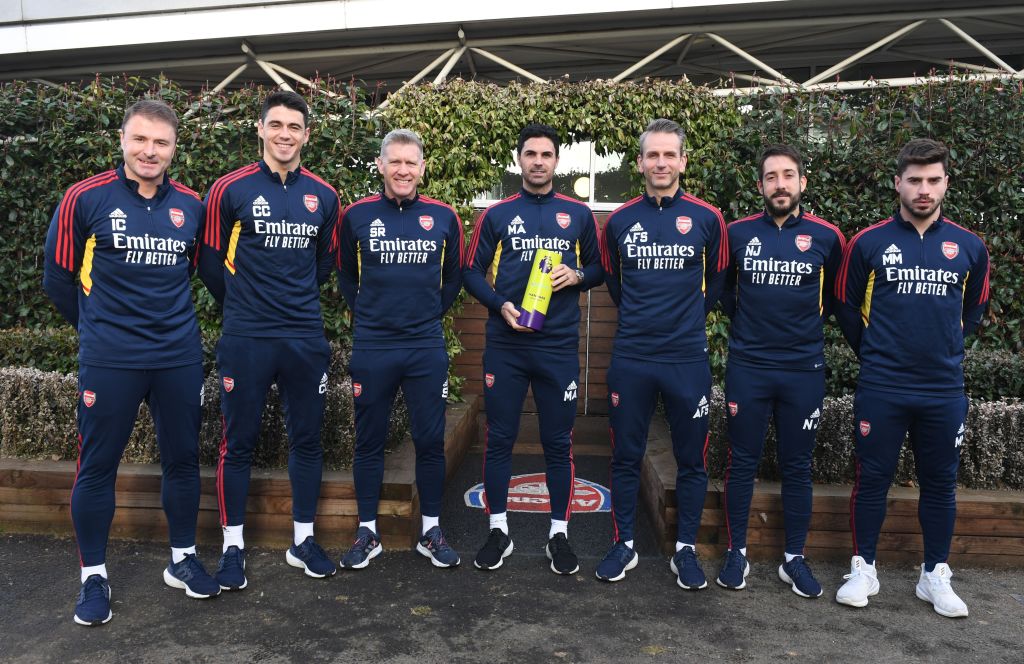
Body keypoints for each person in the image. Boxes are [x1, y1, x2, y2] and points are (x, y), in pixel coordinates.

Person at [43, 99, 219, 625]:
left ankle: (182, 559)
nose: (150, 151)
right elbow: (58, 279)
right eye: (140, 140)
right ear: (122, 140)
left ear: (173, 149)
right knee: (98, 467)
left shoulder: (191, 205)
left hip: (178, 356)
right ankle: (92, 576)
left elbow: (191, 269)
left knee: (183, 460)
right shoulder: (84, 198)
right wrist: (100, 330)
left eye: (161, 142)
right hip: (111, 359)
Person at [833, 138, 990, 618]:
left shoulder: (969, 246)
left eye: (933, 180)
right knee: (872, 478)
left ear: (946, 183)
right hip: (882, 386)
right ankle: (864, 568)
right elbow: (844, 305)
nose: (924, 189)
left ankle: (934, 575)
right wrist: (878, 355)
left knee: (941, 483)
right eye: (915, 180)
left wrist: (940, 352)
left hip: (943, 389)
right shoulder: (868, 242)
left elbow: (974, 312)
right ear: (897, 182)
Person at [198, 90, 340, 589]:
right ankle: (233, 547)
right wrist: (241, 304)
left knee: (306, 440)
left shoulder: (323, 195)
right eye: (275, 124)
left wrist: (293, 300)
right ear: (260, 129)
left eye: (294, 126)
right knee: (237, 443)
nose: (285, 134)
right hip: (247, 336)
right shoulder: (228, 189)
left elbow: (324, 262)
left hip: (303, 337)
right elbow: (209, 261)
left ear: (306, 134)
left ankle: (303, 540)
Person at [463, 123, 603, 574]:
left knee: (557, 442)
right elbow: (470, 272)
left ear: (557, 161)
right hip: (506, 344)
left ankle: (558, 534)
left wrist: (578, 275)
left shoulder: (577, 214)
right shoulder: (497, 214)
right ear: (519, 159)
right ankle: (498, 531)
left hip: (558, 347)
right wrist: (500, 304)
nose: (538, 161)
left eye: (546, 154)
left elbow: (602, 268)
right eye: (530, 154)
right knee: (499, 438)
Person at [598, 118, 728, 587]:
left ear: (682, 161)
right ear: (639, 163)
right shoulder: (618, 221)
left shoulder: (709, 219)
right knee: (625, 456)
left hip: (686, 358)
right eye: (652, 155)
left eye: (669, 154)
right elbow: (614, 282)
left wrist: (687, 317)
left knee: (692, 459)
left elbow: (717, 282)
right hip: (632, 357)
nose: (661, 162)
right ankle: (624, 545)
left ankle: (686, 550)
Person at [717, 144, 845, 597]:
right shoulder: (735, 233)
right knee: (742, 462)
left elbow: (834, 299)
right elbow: (724, 292)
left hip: (802, 370)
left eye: (788, 175)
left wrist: (803, 328)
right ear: (760, 186)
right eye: (771, 177)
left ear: (802, 183)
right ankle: (737, 553)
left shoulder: (827, 237)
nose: (780, 184)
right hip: (748, 367)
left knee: (797, 466)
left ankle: (794, 558)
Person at [336, 128, 464, 569]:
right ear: (381, 165)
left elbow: (453, 280)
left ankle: (431, 530)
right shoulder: (355, 216)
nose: (403, 170)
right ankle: (367, 532)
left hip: (425, 345)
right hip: (374, 346)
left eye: (412, 162)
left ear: (422, 168)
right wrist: (371, 315)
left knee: (430, 440)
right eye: (396, 162)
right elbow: (345, 279)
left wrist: (426, 315)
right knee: (368, 441)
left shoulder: (445, 216)